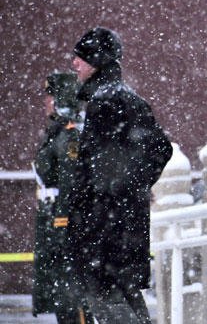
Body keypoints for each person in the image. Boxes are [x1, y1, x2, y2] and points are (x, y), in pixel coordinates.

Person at [66, 27, 173, 323]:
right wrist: (133, 188)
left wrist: (115, 191)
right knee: (124, 300)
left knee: (107, 302)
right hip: (121, 229)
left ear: (98, 60)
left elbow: (99, 175)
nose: (74, 63)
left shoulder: (106, 102)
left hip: (105, 232)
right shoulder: (122, 99)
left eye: (81, 57)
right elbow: (160, 149)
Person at [32, 71, 94, 323]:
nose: (46, 102)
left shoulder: (70, 135)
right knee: (62, 297)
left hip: (65, 226)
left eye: (50, 95)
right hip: (53, 222)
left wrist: (63, 223)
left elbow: (71, 183)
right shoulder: (57, 132)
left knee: (73, 302)